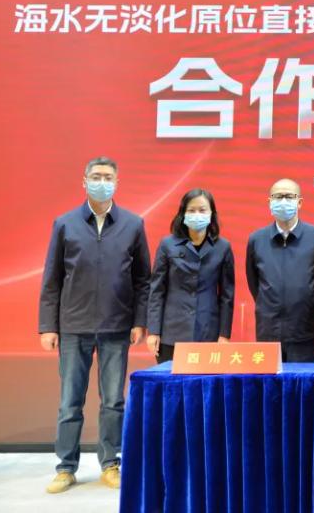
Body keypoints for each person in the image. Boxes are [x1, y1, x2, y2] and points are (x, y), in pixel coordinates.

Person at [37, 157, 151, 493]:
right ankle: (66, 467)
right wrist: (48, 326)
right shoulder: (65, 224)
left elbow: (143, 279)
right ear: (84, 181)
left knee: (113, 400)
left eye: (108, 177)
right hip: (74, 325)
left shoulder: (133, 224)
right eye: (97, 176)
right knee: (70, 401)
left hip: (117, 326)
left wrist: (139, 321)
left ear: (117, 182)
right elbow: (52, 279)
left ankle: (110, 463)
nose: (103, 182)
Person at [246, 178, 314, 363]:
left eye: (289, 196)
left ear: (299, 202)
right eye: (278, 197)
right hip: (268, 332)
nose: (283, 201)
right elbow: (255, 284)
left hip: (305, 333)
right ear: (269, 202)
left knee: (302, 382)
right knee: (268, 382)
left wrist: (313, 312)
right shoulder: (256, 239)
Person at [146, 189, 234, 363]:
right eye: (191, 210)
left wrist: (224, 334)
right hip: (171, 333)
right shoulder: (167, 244)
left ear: (212, 214)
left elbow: (227, 296)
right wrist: (153, 331)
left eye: (202, 210)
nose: (197, 215)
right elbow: (156, 291)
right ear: (183, 214)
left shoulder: (223, 247)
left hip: (208, 332)